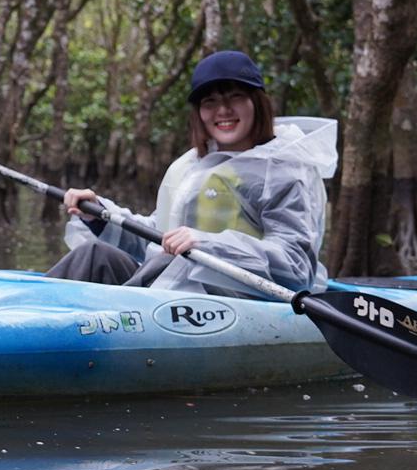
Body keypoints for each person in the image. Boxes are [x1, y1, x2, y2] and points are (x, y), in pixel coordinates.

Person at [45, 49, 337, 296]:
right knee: (94, 255)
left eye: (235, 97)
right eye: (209, 102)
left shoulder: (284, 169)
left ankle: (103, 323)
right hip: (173, 288)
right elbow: (159, 236)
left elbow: (297, 266)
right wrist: (100, 214)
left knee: (174, 262)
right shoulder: (194, 166)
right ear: (199, 112)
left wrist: (206, 245)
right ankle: (29, 316)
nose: (223, 110)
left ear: (256, 103)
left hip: (242, 299)